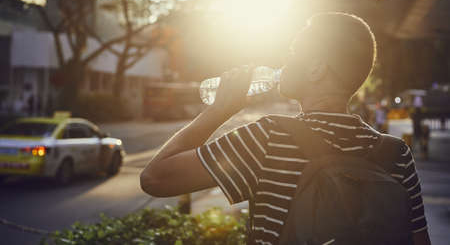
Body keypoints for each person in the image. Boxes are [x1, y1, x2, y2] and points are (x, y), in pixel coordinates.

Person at [140, 12, 431, 245]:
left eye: (293, 52)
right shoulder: (397, 154)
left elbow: (155, 179)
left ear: (316, 68)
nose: (284, 62)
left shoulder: (270, 137)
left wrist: (219, 110)